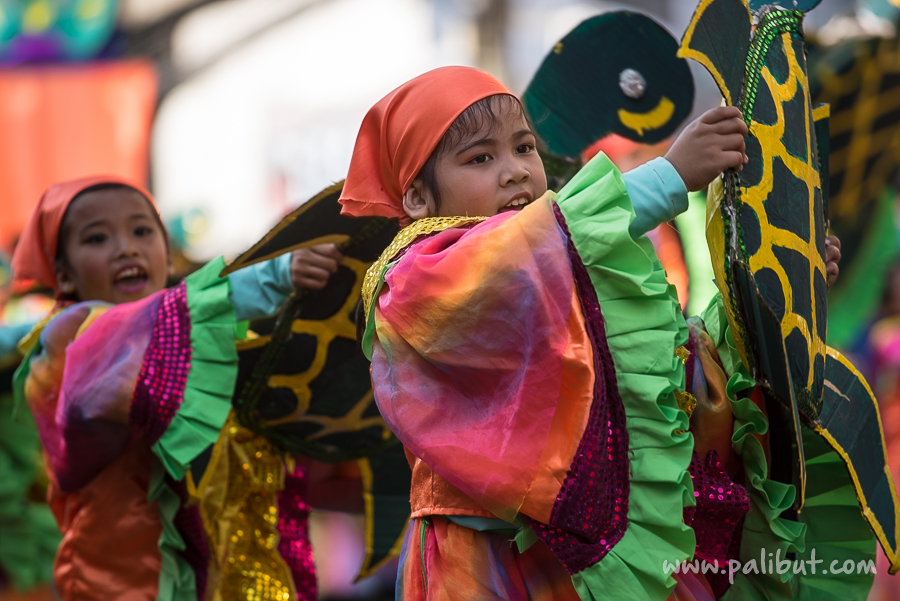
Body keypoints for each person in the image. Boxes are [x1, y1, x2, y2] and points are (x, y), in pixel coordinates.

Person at [339, 66, 846, 600]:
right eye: (480, 158)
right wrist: (668, 177)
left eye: (524, 148)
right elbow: (525, 254)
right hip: (487, 567)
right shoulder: (413, 283)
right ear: (417, 198)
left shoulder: (563, 277)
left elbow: (671, 371)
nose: (515, 172)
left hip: (582, 558)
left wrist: (771, 302)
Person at [10, 175, 343, 600]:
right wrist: (270, 277)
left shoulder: (204, 338)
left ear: (167, 257)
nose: (126, 248)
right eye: (97, 238)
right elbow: (129, 332)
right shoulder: (68, 340)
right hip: (120, 580)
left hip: (211, 574)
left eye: (142, 231)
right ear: (64, 274)